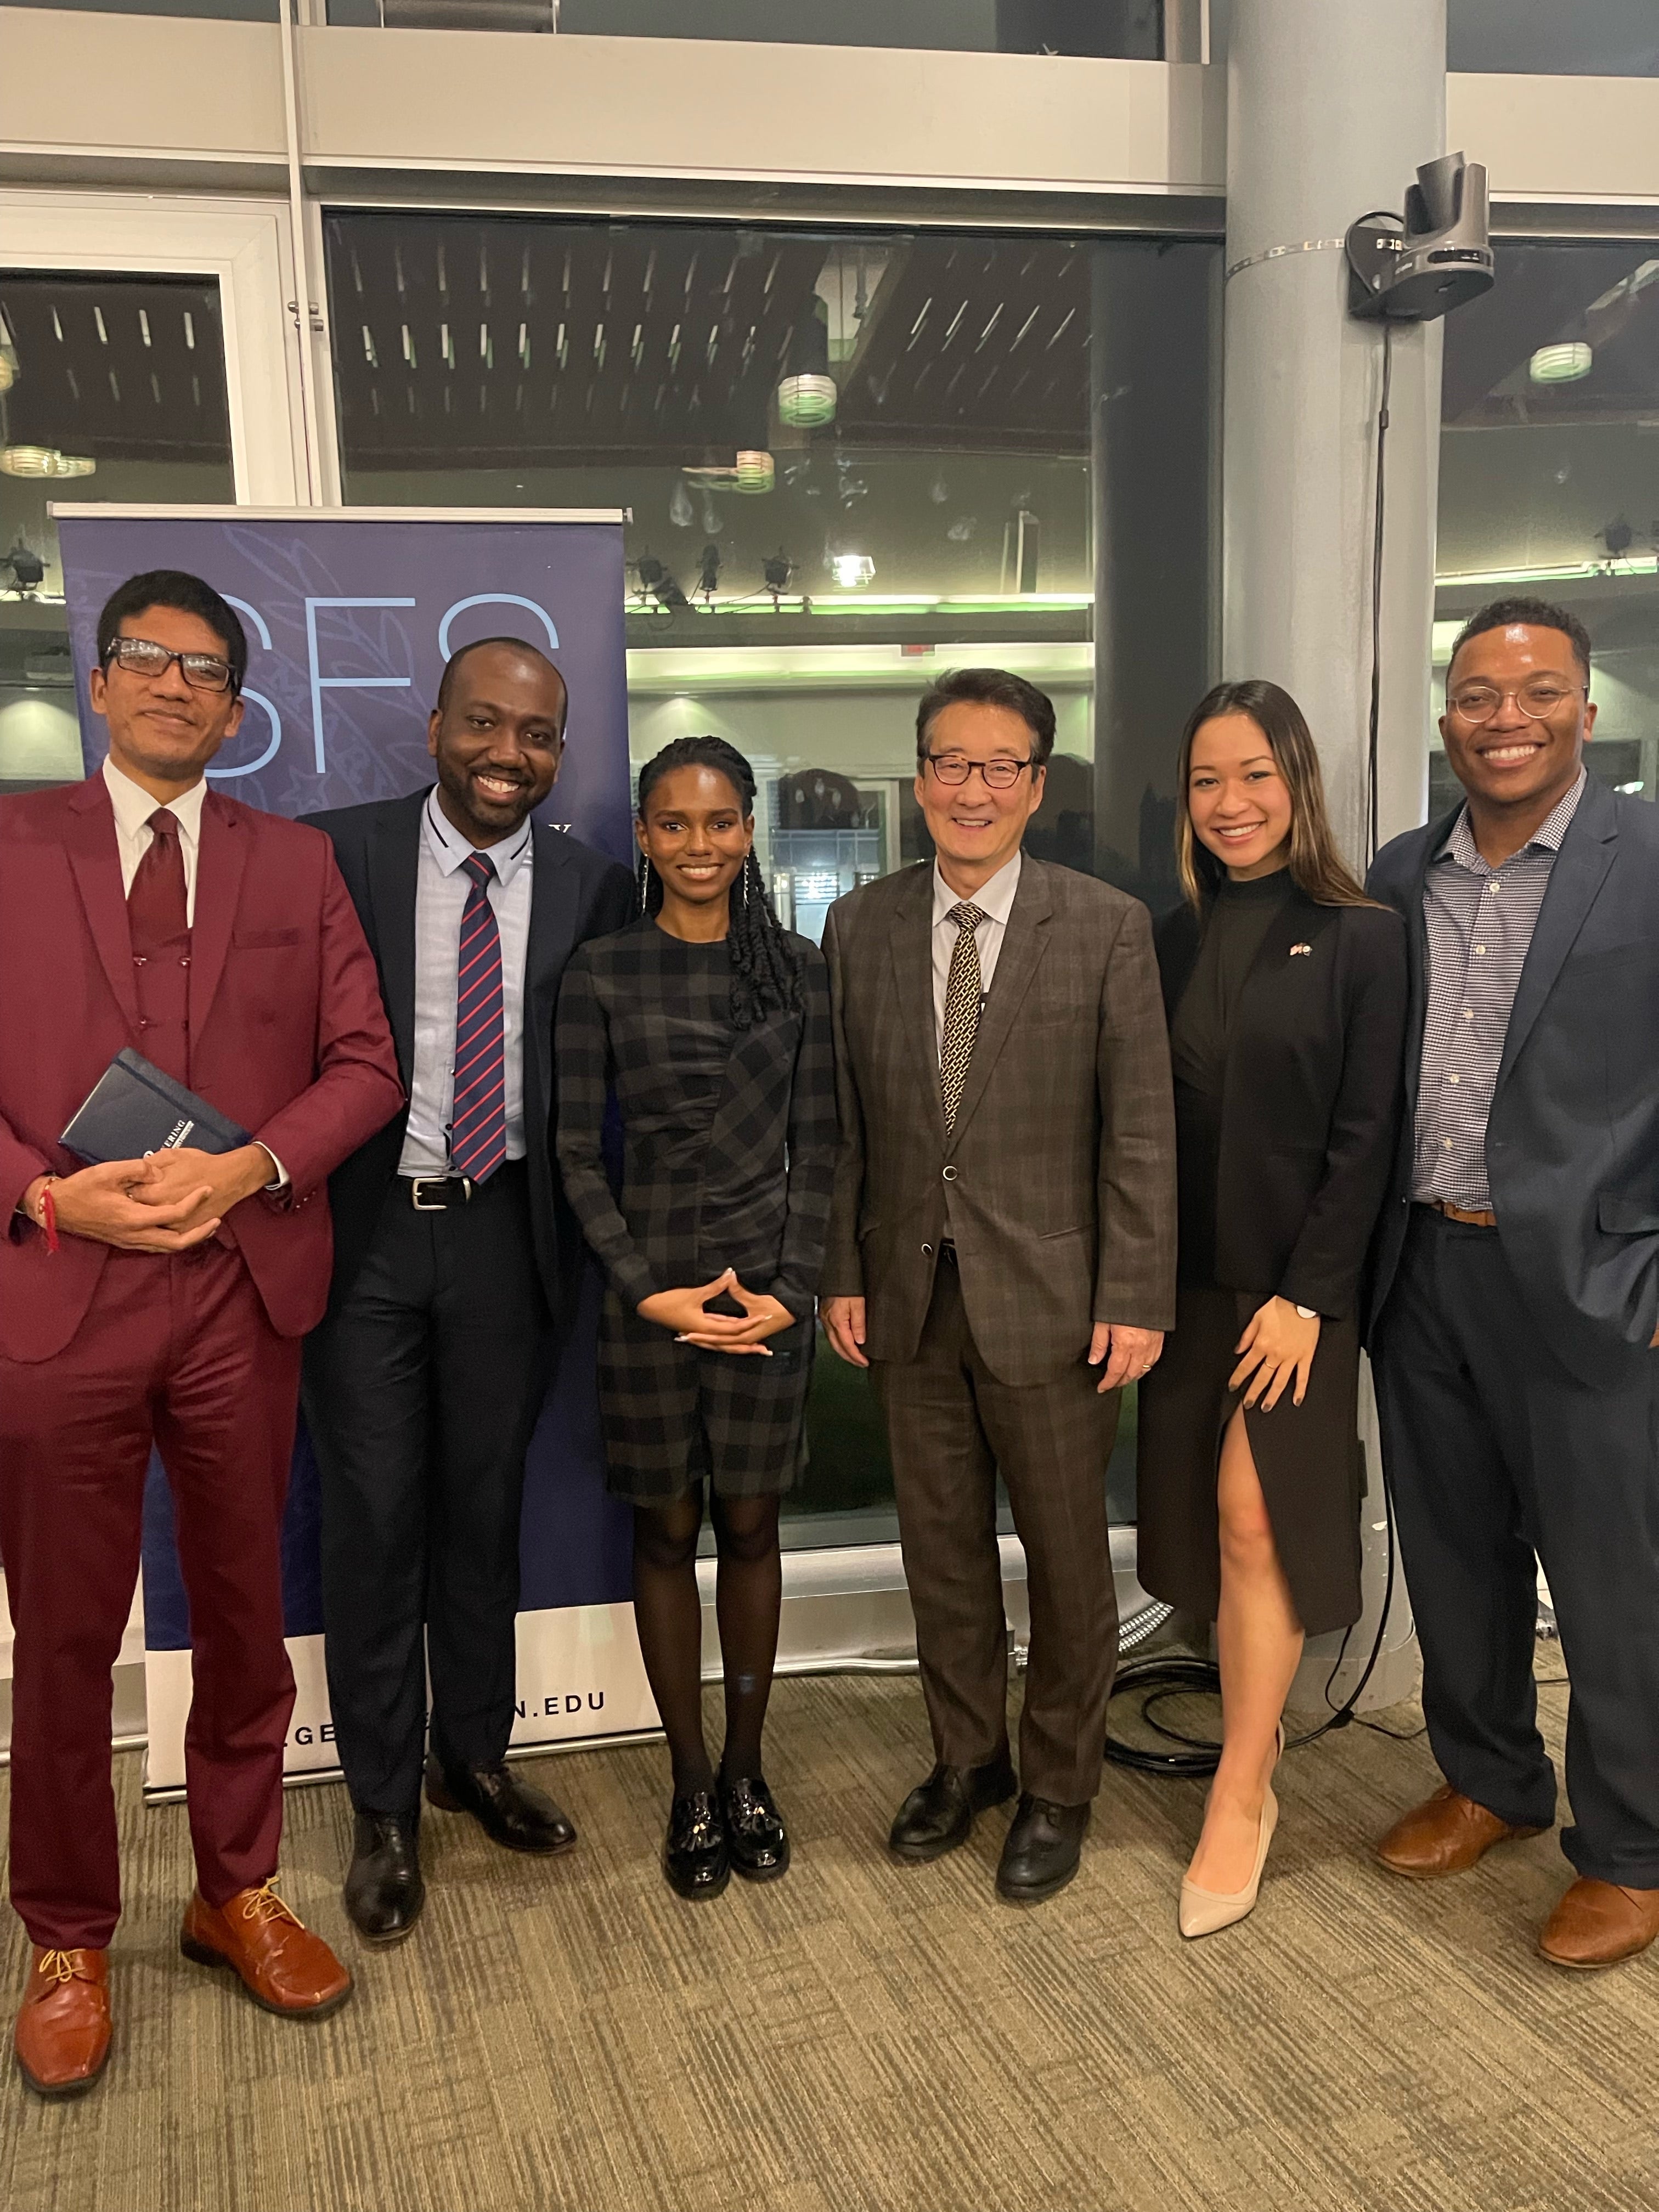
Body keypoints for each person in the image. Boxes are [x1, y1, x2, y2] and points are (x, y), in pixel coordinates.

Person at [0, 571, 403, 2098]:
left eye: (209, 672)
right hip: (60, 1298)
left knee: (246, 1613)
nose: (179, 687)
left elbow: (365, 1063)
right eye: (150, 662)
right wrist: (50, 1199)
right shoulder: (10, 844)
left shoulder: (293, 866)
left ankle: (236, 1890)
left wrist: (250, 1167)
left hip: (245, 1294)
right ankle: (66, 1934)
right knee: (64, 1639)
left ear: (238, 709)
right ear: (100, 685)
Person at [821, 668, 1176, 1905]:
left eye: (1001, 766)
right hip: (909, 1297)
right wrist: (841, 1273)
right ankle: (965, 1760)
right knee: (942, 1553)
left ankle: (1060, 1785)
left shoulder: (1105, 925)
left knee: (1072, 1562)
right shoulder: (858, 925)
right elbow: (848, 1122)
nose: (973, 790)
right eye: (951, 763)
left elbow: (1139, 1132)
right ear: (919, 777)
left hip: (1060, 1303)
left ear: (1036, 783)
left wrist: (1137, 1292)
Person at [301, 639, 635, 1943]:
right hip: (369, 1236)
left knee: (481, 1514)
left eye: (539, 736)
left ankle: (473, 1760)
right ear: (435, 725)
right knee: (375, 1521)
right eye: (487, 726)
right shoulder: (338, 855)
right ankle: (383, 1807)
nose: (511, 756)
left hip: (511, 1238)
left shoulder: (597, 888)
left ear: (561, 753)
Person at [1367, 596, 1659, 1971]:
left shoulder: (1645, 856)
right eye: (1479, 693)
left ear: (1585, 712)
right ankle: (1492, 1778)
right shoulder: (1400, 868)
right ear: (1447, 717)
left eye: (1537, 692)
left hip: (1593, 1279)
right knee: (1454, 1554)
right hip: (1423, 1266)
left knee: (1612, 1582)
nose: (1505, 717)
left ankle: (1633, 1849)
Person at [1136, 680, 1407, 1938]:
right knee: (1211, 1532)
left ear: (1297, 784)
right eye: (1206, 780)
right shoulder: (1166, 936)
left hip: (1298, 1289)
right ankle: (1254, 1755)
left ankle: (1243, 1793)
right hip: (1186, 1285)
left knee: (1258, 1522)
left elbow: (1368, 1139)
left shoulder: (1362, 934)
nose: (1230, 803)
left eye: (1254, 775)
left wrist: (1309, 1296)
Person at [555, 736, 834, 1900]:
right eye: (675, 825)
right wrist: (645, 1288)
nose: (700, 845)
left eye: (721, 822)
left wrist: (792, 1286)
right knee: (667, 1536)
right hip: (651, 1294)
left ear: (750, 828)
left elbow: (823, 1144)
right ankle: (687, 1780)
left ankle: (748, 1772)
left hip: (769, 1285)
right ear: (646, 836)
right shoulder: (602, 972)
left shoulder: (803, 969)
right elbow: (575, 1155)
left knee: (756, 1531)